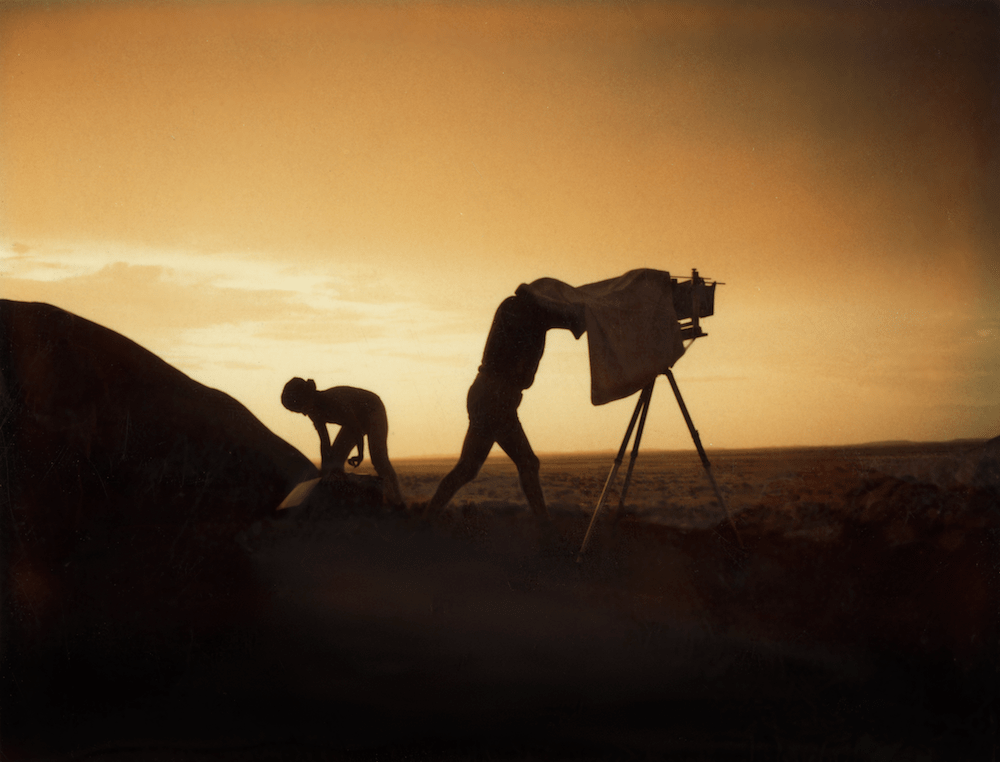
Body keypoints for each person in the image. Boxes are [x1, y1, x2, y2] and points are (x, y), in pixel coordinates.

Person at [423, 286, 585, 519]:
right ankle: (545, 530)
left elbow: (565, 320)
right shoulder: (523, 311)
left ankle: (426, 519)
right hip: (495, 397)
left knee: (469, 468)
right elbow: (565, 320)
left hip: (488, 394)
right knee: (527, 463)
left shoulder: (517, 307)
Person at [281, 378, 404, 506]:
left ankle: (398, 502)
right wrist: (324, 472)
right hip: (355, 421)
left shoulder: (334, 401)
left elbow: (356, 428)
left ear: (308, 398)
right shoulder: (313, 411)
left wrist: (360, 453)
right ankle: (340, 501)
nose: (304, 414)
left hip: (373, 410)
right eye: (300, 411)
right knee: (335, 461)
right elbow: (325, 443)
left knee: (379, 459)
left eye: (303, 408)